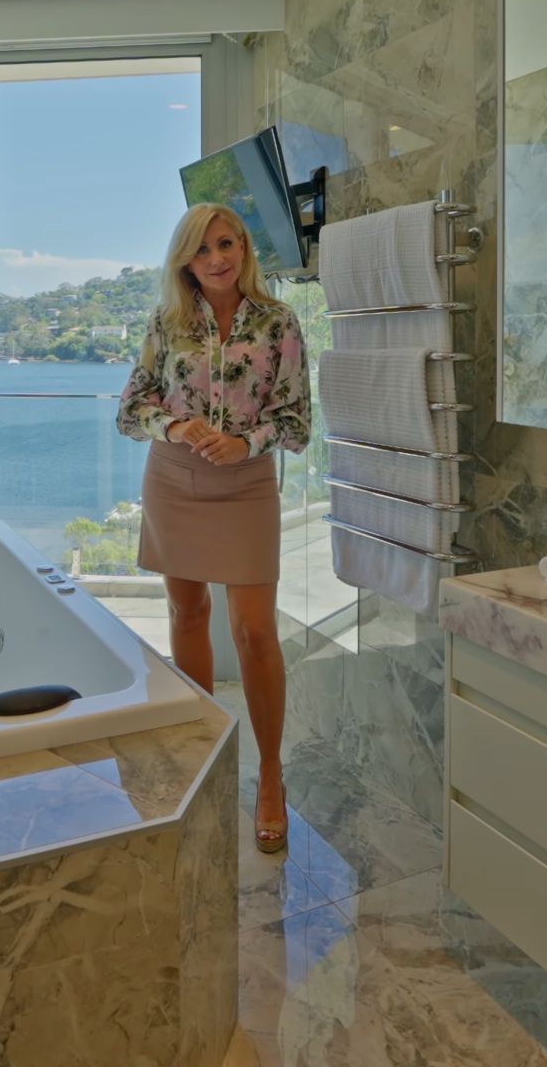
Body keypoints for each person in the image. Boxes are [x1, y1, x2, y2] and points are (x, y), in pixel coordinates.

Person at [116, 202, 311, 853]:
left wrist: (246, 442)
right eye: (202, 249)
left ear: (244, 248)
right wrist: (175, 425)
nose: (217, 258)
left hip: (246, 485)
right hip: (174, 480)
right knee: (188, 612)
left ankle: (271, 776)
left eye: (226, 244)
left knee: (254, 631)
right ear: (185, 261)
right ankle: (201, 754)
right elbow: (132, 409)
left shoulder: (279, 322)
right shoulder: (166, 322)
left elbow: (297, 422)